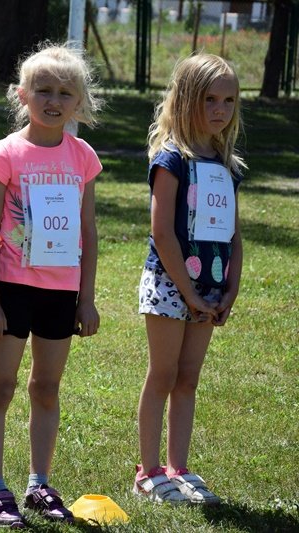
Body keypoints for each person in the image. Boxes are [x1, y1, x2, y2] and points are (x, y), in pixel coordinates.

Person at [0, 44, 103, 527]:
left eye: (65, 93)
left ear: (79, 101)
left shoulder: (83, 157)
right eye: (43, 91)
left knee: (46, 387)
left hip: (60, 292)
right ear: (23, 95)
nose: (54, 100)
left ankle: (38, 484)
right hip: (11, 288)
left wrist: (86, 299)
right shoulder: (6, 153)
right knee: (1, 387)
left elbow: (88, 232)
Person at [134, 53, 244, 506]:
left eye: (229, 100)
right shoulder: (170, 160)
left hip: (211, 288)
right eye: (209, 99)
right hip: (169, 283)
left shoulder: (227, 165)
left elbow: (233, 233)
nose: (220, 109)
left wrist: (231, 285)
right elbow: (162, 233)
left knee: (188, 378)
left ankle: (179, 467)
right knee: (162, 374)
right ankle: (149, 470)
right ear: (184, 100)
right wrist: (188, 292)